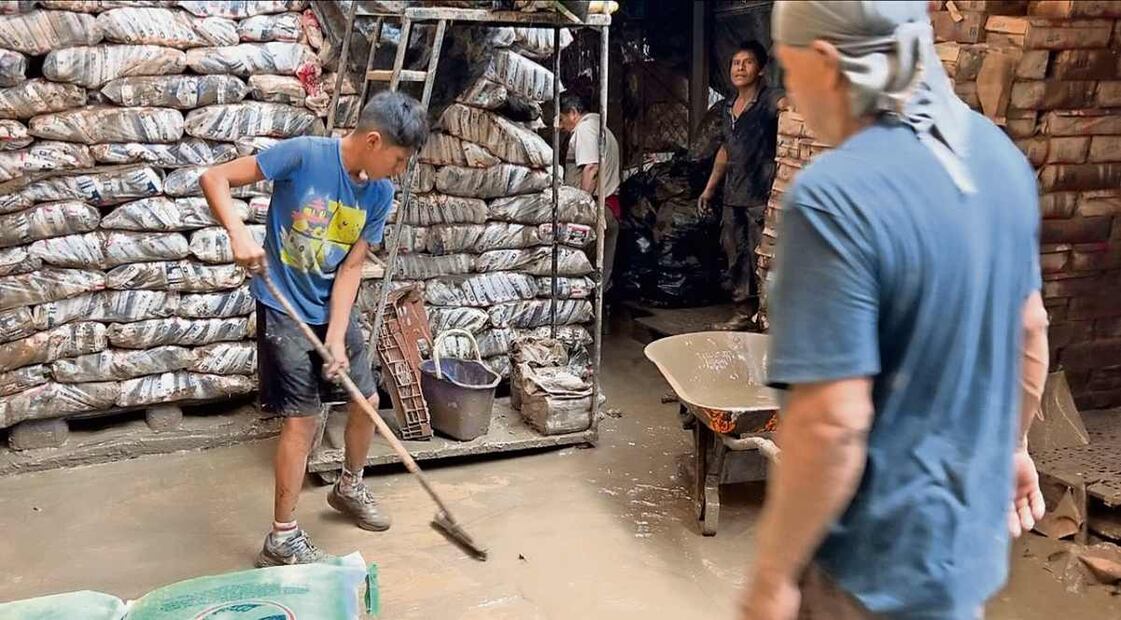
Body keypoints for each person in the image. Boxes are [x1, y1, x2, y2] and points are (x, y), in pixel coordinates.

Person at [740, 2, 1048, 619]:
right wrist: (1010, 446)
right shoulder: (999, 159)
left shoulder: (834, 198)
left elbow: (832, 424)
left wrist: (772, 576)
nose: (791, 93)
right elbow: (1030, 333)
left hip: (869, 576)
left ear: (826, 63)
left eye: (791, 73)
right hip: (962, 562)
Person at [200, 90, 429, 567]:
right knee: (301, 421)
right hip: (282, 307)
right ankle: (281, 538)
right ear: (372, 140)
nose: (401, 171)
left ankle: (349, 487)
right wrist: (239, 232)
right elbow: (214, 178)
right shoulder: (304, 154)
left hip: (331, 307)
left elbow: (350, 269)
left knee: (366, 399)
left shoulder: (380, 193)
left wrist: (337, 334)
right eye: (400, 159)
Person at [698, 40, 780, 331]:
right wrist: (710, 188)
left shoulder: (771, 101)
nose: (740, 68)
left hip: (763, 194)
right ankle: (743, 313)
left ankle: (769, 318)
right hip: (734, 195)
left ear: (760, 69)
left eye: (747, 62)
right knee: (735, 256)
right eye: (735, 63)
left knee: (765, 259)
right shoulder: (728, 106)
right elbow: (725, 149)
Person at [559, 93, 621, 297]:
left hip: (595, 211)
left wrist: (581, 208)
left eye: (561, 119)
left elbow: (591, 168)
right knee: (601, 276)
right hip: (609, 209)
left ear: (573, 113)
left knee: (581, 274)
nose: (560, 126)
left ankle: (589, 321)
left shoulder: (584, 129)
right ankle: (599, 319)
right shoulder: (602, 128)